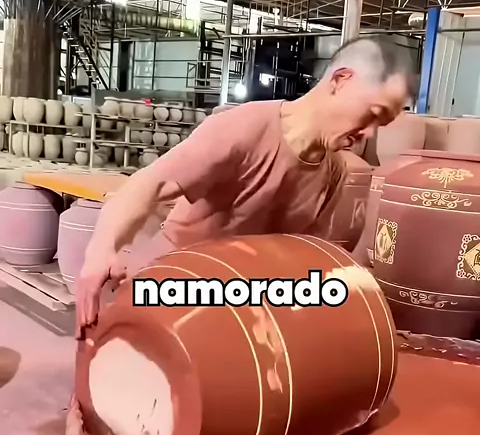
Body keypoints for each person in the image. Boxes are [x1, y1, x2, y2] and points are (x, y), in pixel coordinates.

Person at [76, 36, 415, 336]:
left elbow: (299, 255)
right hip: (173, 289)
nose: (369, 133)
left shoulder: (333, 171)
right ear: (340, 81)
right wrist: (102, 248)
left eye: (381, 125)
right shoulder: (243, 129)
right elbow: (149, 184)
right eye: (373, 114)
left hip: (239, 307)